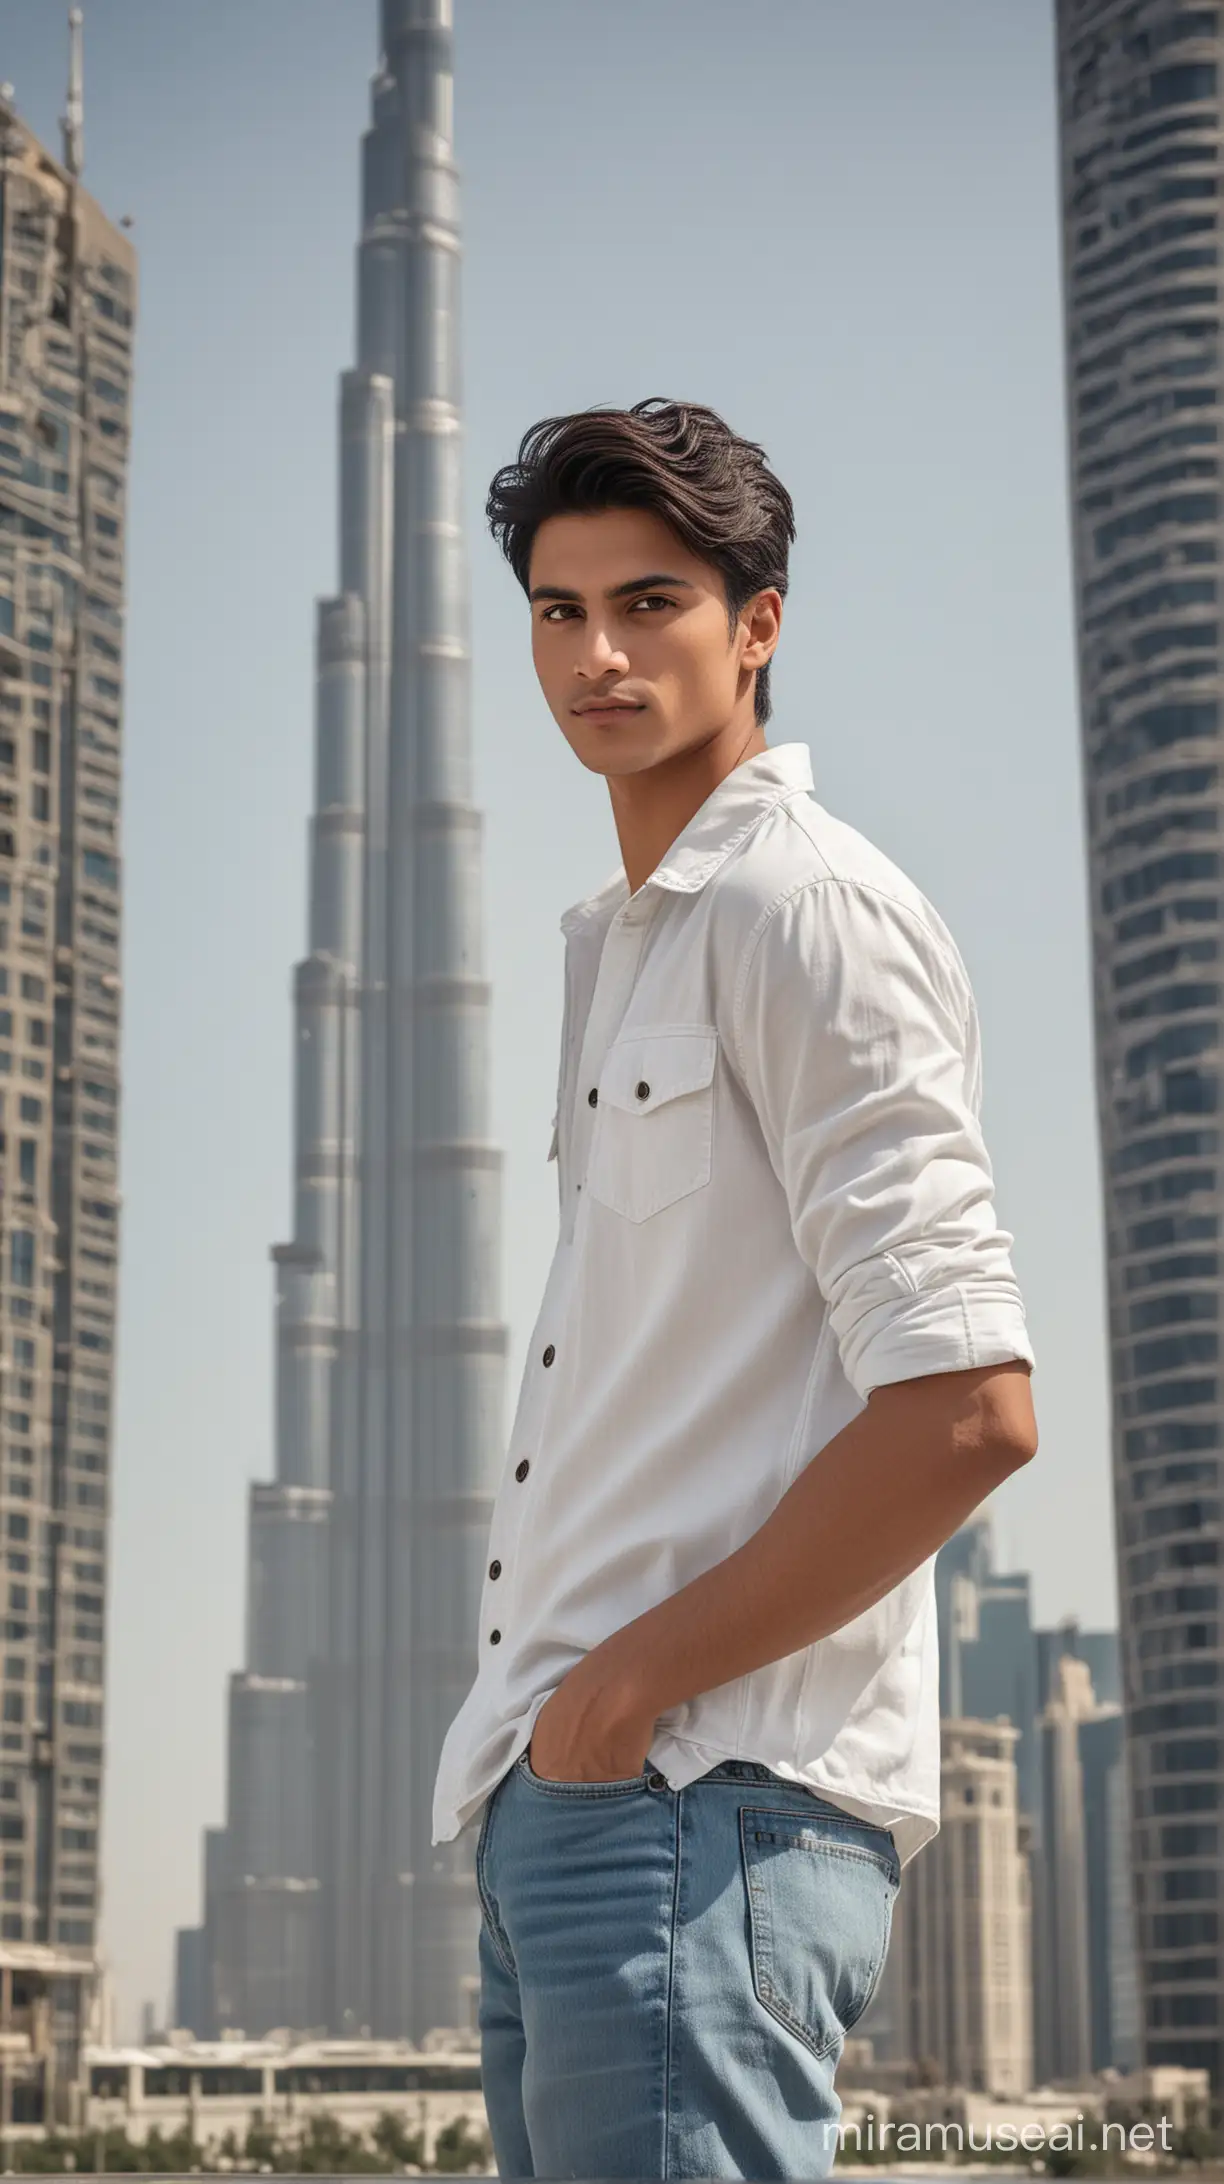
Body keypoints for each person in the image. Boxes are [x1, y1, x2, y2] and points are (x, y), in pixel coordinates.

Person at [430, 396, 1038, 2181]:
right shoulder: (627, 949)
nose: (599, 655)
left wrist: (624, 1698)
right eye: (558, 609)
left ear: (757, 620)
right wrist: (561, 1742)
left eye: (653, 602)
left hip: (695, 1800)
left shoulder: (806, 913)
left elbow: (965, 1410)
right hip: (577, 1802)